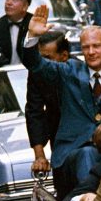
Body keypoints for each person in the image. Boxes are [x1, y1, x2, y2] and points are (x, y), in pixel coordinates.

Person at [21, 7, 101, 200]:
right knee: (87, 154)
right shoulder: (69, 72)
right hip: (73, 153)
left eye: (96, 46)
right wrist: (32, 36)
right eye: (86, 47)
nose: (91, 52)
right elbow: (36, 65)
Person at [27, 30, 69, 174]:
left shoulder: (80, 70)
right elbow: (34, 111)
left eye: (47, 58)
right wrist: (40, 156)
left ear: (64, 56)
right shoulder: (37, 74)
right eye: (40, 57)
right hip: (56, 136)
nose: (42, 63)